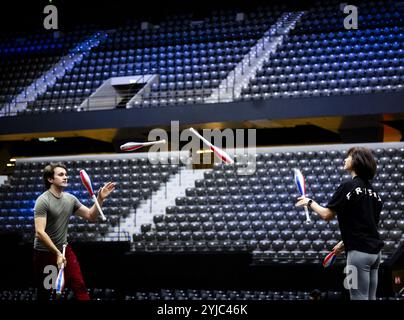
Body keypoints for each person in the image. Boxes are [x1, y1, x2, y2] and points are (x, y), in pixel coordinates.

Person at [296, 147, 384, 300]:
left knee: (358, 297)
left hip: (358, 255)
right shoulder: (375, 194)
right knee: (371, 298)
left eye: (348, 157)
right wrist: (344, 243)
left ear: (356, 161)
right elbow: (367, 225)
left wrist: (309, 202)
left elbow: (327, 215)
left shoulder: (347, 186)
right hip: (375, 255)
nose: (345, 159)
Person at [33, 162, 115, 300]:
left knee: (79, 285)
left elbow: (91, 216)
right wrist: (57, 254)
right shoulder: (43, 200)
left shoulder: (70, 199)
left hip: (65, 250)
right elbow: (39, 232)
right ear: (50, 179)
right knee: (47, 293)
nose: (65, 177)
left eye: (66, 174)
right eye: (61, 175)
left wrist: (100, 198)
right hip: (45, 253)